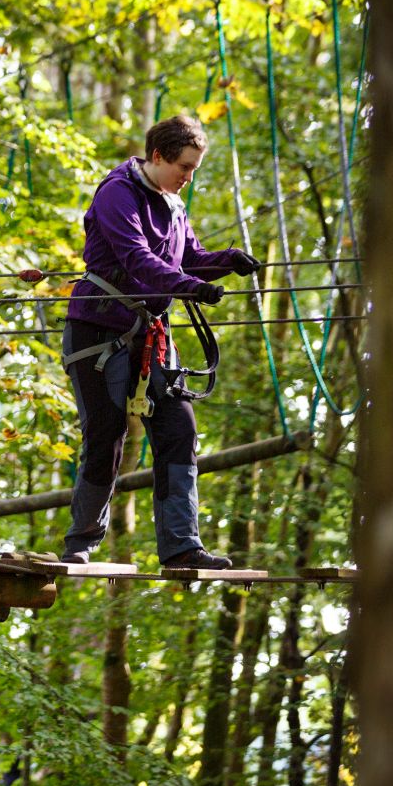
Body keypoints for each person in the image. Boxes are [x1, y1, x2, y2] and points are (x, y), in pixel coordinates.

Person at [61, 115, 261, 570]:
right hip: (98, 331)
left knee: (179, 431)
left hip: (151, 335)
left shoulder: (172, 204)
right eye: (184, 168)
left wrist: (225, 262)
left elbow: (188, 258)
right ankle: (81, 541)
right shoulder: (117, 194)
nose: (188, 178)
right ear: (157, 157)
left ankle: (181, 546)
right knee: (106, 432)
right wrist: (191, 286)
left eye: (193, 169)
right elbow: (138, 260)